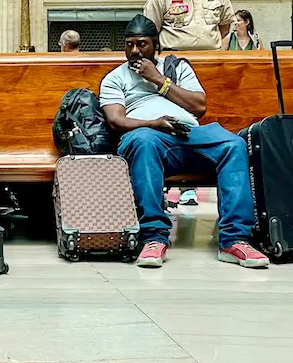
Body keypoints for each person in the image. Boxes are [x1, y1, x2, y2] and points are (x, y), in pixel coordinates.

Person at [99, 14, 267, 269]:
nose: (134, 51)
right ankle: (154, 238)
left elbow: (199, 107)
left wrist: (159, 80)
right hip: (150, 136)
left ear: (155, 45)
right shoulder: (115, 78)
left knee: (233, 145)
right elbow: (116, 121)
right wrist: (154, 123)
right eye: (129, 44)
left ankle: (235, 240)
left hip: (189, 135)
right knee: (143, 142)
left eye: (142, 44)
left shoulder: (176, 68)